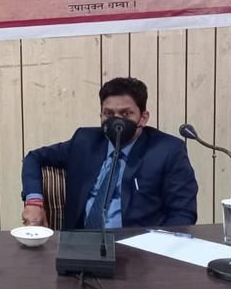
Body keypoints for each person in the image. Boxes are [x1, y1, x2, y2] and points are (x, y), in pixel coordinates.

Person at [21, 77, 198, 230]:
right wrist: (34, 202)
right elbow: (34, 157)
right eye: (109, 114)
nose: (117, 121)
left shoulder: (167, 150)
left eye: (126, 113)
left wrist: (159, 250)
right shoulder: (84, 141)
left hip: (139, 249)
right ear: (101, 116)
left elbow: (183, 213)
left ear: (143, 118)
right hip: (80, 245)